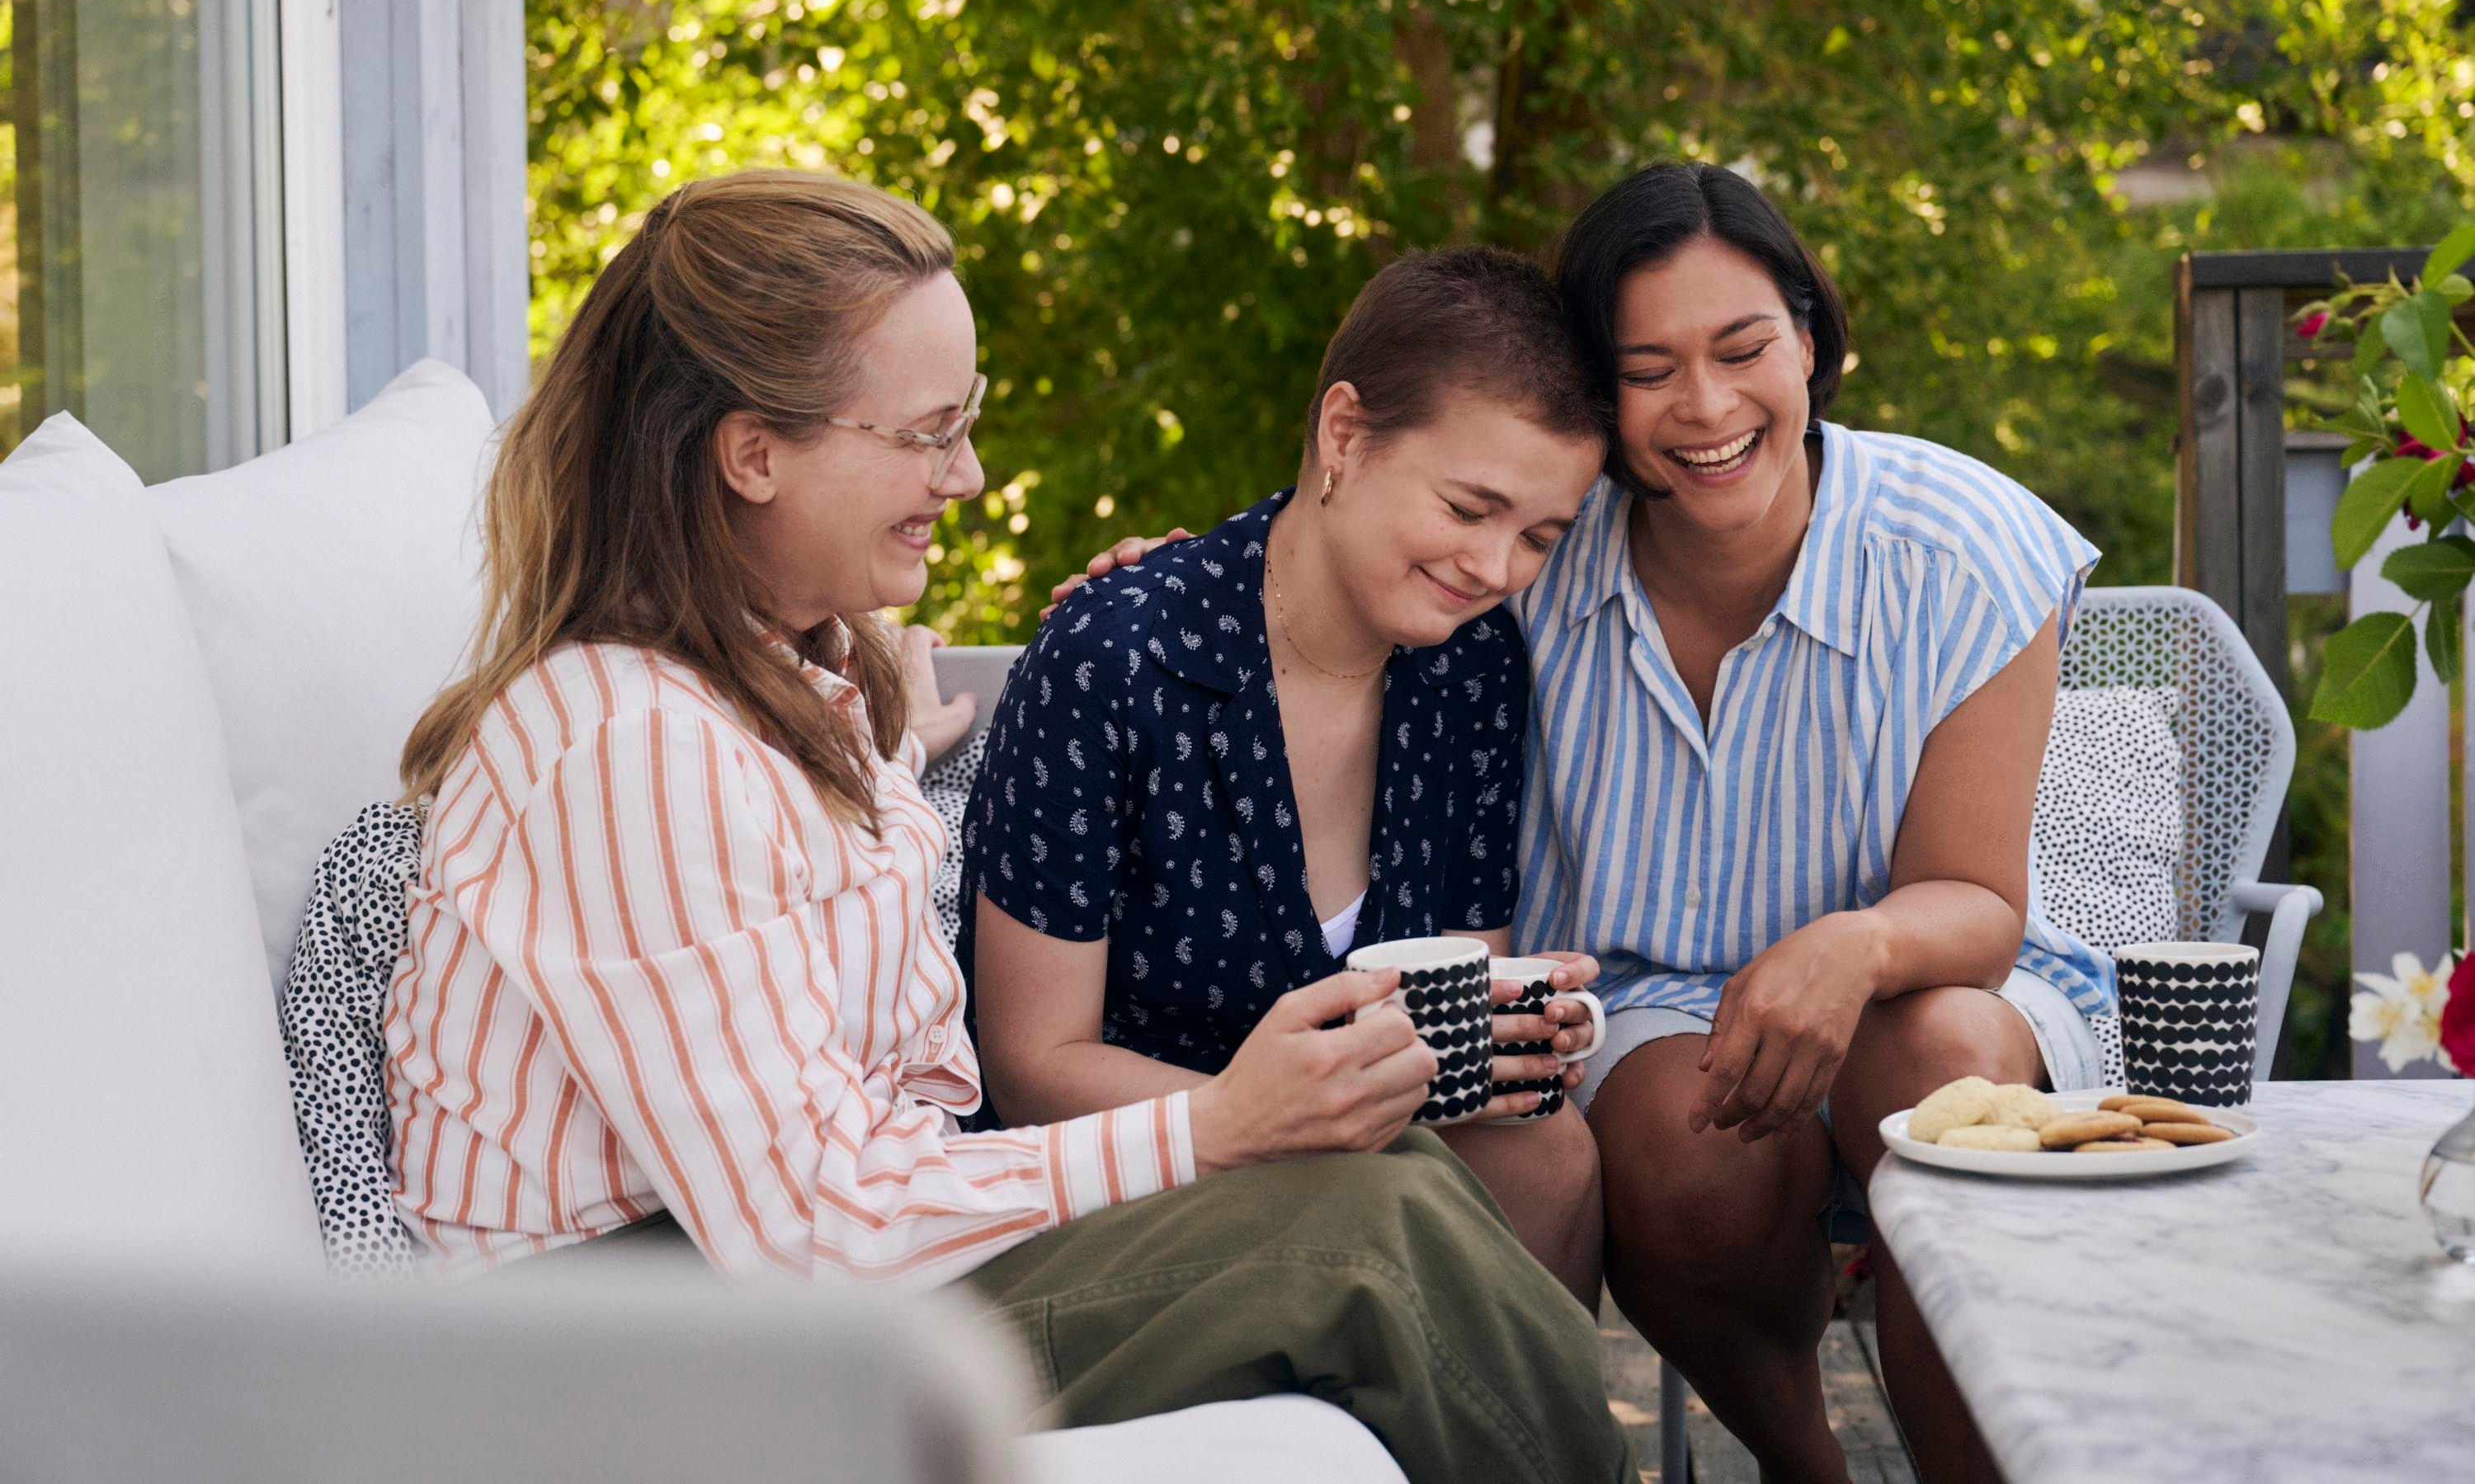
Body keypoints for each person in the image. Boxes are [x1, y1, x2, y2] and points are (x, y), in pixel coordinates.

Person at [382, 168, 1635, 1484]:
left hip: (811, 1280)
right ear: (752, 453)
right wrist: (1217, 1125)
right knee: (1361, 1241)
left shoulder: (777, 685)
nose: (968, 476)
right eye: (929, 435)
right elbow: (810, 1234)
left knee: (1411, 1185)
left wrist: (891, 754)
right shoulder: (625, 746)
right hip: (655, 1363)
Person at [1053, 163, 2112, 1484]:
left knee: (1940, 1056)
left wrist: (1854, 946)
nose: (1707, 406)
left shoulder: (1963, 548)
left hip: (1930, 973)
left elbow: (1979, 904)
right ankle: (1807, 1463)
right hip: (1653, 1003)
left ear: (1810, 339)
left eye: (1744, 349)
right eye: (1649, 370)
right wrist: (1167, 590)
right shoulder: (1535, 547)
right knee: (1681, 1142)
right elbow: (1356, 544)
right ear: (1598, 401)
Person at [962, 248, 1612, 1305]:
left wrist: (1515, 1039)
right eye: (1467, 508)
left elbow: (1457, 984)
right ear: (1344, 434)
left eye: (1539, 536)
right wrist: (1287, 1115)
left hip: (1376, 1148)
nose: (1496, 569)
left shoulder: (1474, 663)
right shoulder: (1118, 656)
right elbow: (1032, 1066)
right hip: (1132, 1165)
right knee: (1390, 1195)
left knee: (1548, 1151)